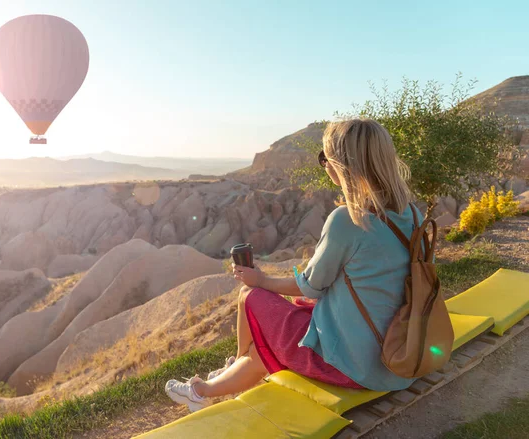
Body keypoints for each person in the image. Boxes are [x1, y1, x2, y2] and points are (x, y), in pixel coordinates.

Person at [165, 118, 421, 413]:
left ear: (342, 164)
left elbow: (310, 285)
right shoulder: (411, 215)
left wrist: (259, 279)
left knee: (251, 296)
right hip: (401, 356)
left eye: (325, 157)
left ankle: (225, 370)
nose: (324, 165)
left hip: (357, 366)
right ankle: (205, 390)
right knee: (284, 326)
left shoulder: (349, 220)